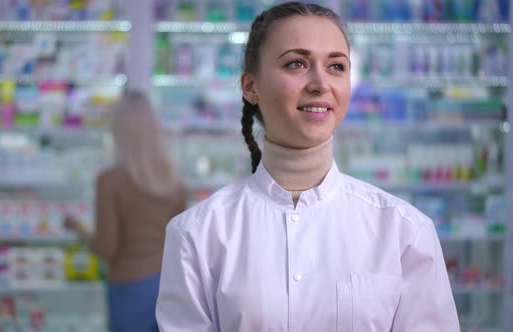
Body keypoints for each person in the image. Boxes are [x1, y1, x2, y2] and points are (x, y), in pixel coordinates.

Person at [155, 2, 460, 331]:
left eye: (336, 66)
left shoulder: (406, 232)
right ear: (250, 86)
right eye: (296, 63)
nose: (320, 83)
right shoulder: (197, 234)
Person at [64, 90, 187, 332]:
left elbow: (106, 249)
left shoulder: (110, 181)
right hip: (169, 286)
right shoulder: (174, 182)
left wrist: (77, 227)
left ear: (118, 132)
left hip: (129, 288)